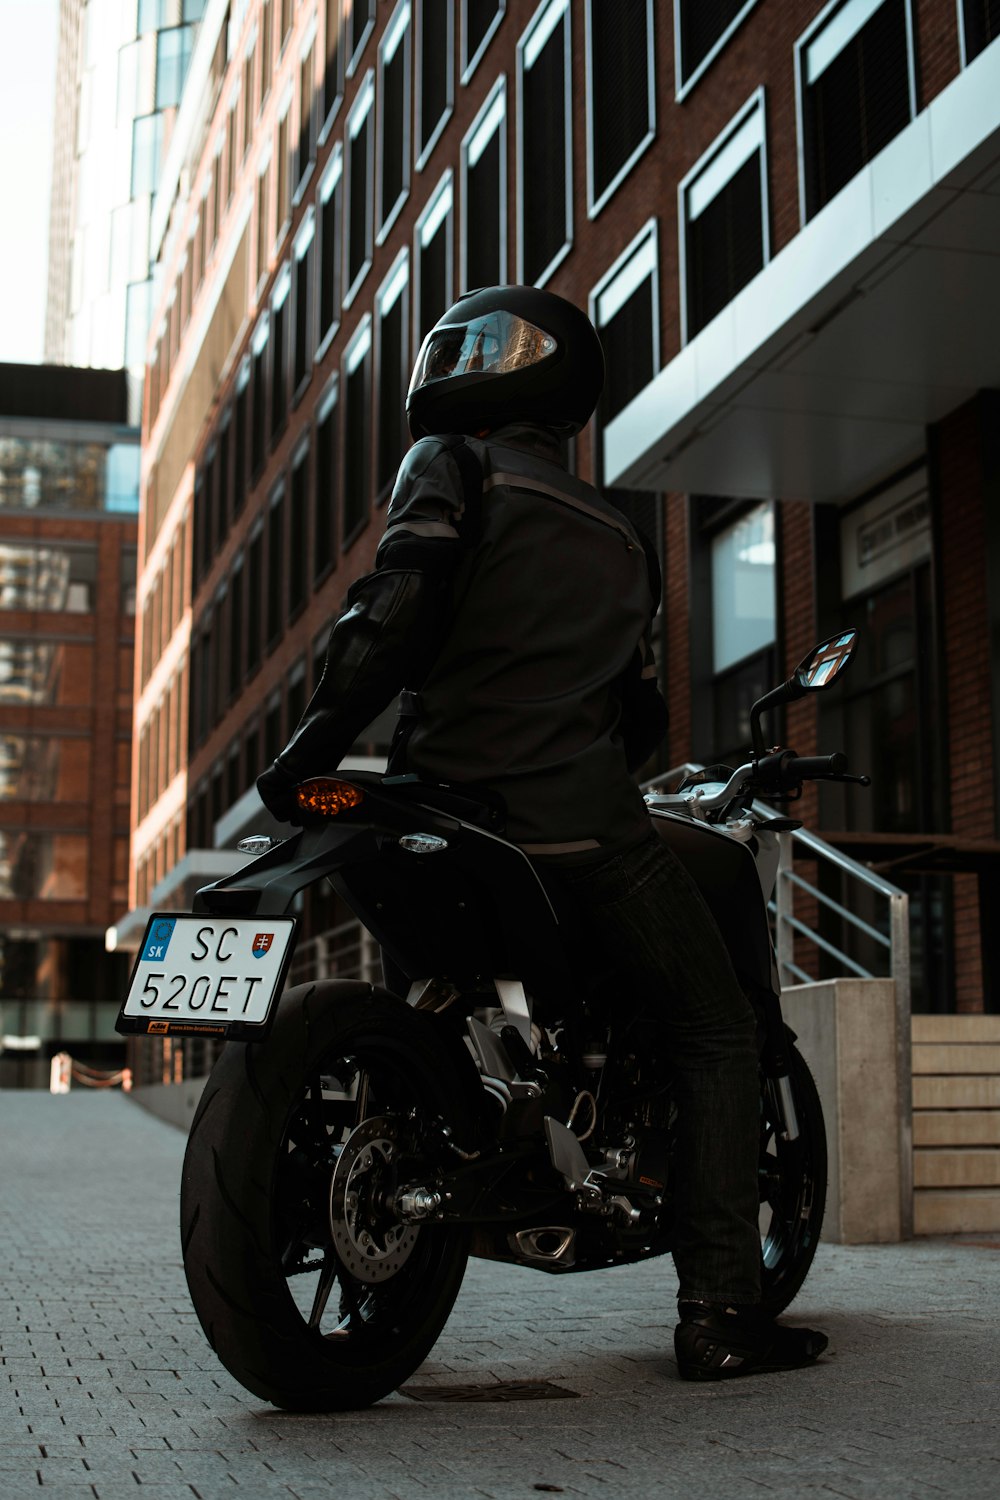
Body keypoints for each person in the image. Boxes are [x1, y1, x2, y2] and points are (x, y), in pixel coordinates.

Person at [257, 285, 828, 1381]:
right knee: (715, 1031)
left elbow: (389, 617)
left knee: (447, 981)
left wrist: (309, 752)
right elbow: (641, 713)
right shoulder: (620, 530)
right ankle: (720, 1316)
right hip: (575, 832)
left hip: (435, 808)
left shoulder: (451, 471)